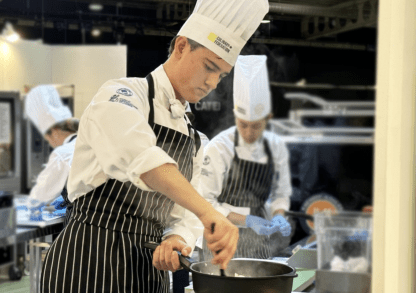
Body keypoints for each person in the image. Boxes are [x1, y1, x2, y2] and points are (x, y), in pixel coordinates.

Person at [40, 0, 269, 292]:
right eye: (209, 67)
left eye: (221, 75)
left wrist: (176, 238)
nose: (212, 82)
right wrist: (208, 213)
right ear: (182, 46)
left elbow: (182, 215)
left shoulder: (196, 141)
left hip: (147, 270)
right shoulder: (120, 95)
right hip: (87, 259)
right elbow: (142, 159)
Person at [200, 55, 293, 260]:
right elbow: (205, 202)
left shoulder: (275, 146)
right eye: (243, 124)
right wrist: (248, 220)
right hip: (221, 239)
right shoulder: (220, 147)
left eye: (256, 126)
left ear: (268, 118)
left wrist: (279, 215)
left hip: (260, 243)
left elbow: (282, 192)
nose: (249, 132)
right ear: (235, 116)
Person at [24, 85, 79, 221]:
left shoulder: (63, 152)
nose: (50, 144)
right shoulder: (84, 143)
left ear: (54, 132)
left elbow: (40, 195)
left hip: (84, 222)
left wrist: (31, 205)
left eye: (48, 139)